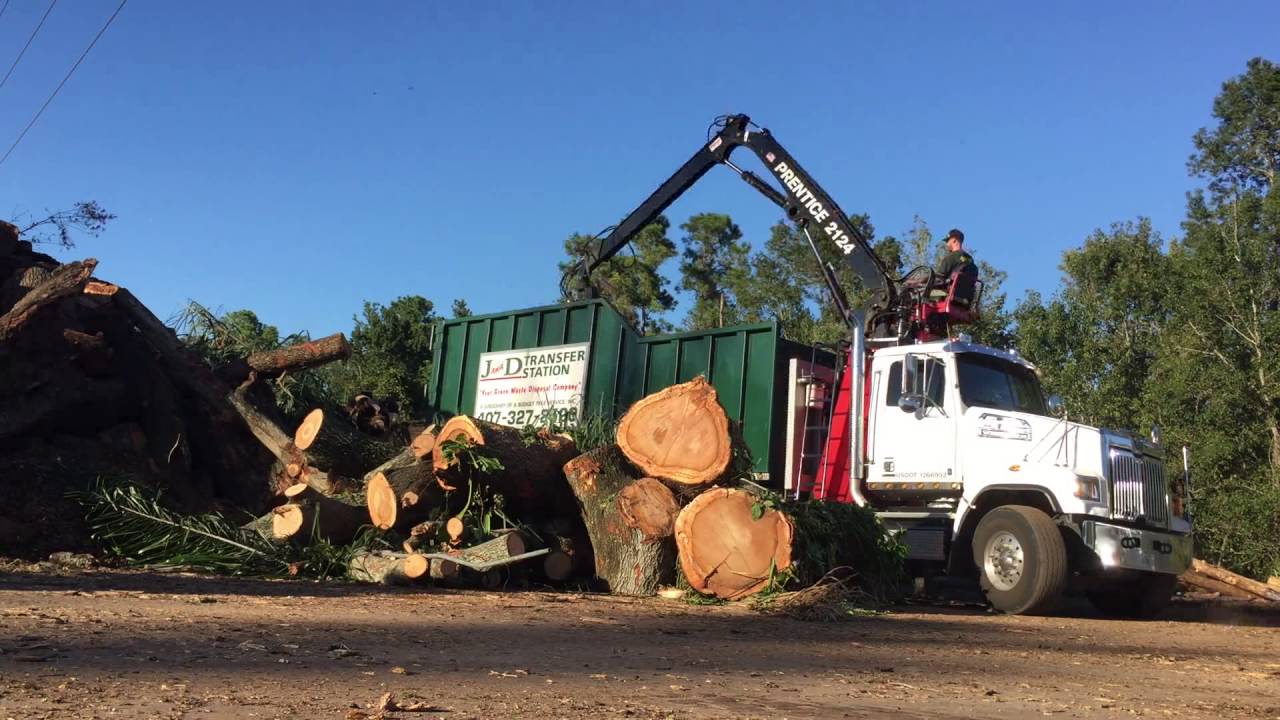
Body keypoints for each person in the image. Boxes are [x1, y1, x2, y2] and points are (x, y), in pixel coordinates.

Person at [931, 228, 978, 303]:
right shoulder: (970, 260)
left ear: (954, 240)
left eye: (947, 241)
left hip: (948, 295)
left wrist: (922, 281)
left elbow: (939, 279)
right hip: (966, 300)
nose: (946, 244)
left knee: (921, 293)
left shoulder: (951, 257)